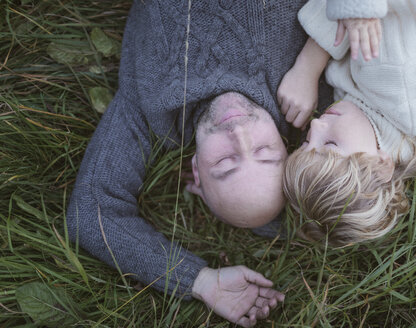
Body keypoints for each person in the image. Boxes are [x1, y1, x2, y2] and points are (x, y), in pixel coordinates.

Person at [65, 0, 342, 326]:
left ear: (195, 171)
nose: (239, 133)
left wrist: (198, 280)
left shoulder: (148, 111)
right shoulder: (303, 95)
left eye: (225, 163)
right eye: (266, 152)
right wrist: (309, 67)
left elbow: (91, 212)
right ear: (286, 144)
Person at [277, 0, 416, 246]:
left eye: (306, 141)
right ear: (382, 165)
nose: (315, 125)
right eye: (330, 143)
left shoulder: (403, 130)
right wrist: (307, 68)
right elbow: (356, 13)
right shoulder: (394, 76)